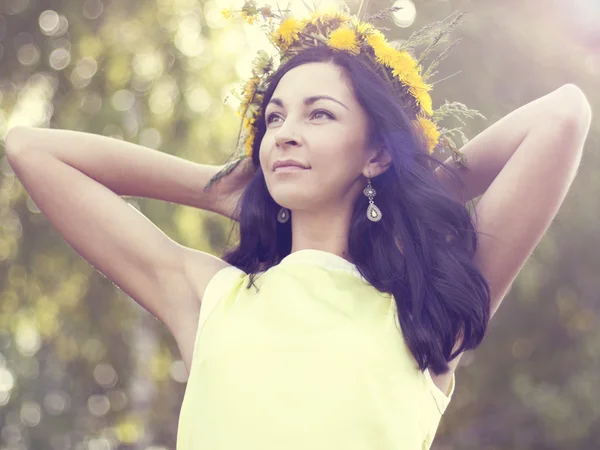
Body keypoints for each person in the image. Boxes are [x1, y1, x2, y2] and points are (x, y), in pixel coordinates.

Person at [4, 3, 592, 450]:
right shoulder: (212, 298)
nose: (284, 132)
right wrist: (213, 187)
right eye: (275, 117)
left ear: (376, 153)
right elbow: (30, 149)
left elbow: (564, 113)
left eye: (320, 114)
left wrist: (409, 187)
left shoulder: (426, 314)